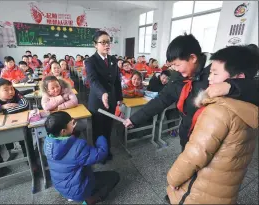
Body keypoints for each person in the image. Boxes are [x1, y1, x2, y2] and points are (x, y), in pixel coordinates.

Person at [123, 34, 259, 152]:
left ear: (193, 58)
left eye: (177, 64)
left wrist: (231, 86)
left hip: (214, 139)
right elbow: (161, 100)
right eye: (172, 65)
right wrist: (134, 119)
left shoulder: (215, 74)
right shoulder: (177, 77)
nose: (174, 69)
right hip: (187, 134)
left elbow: (251, 88)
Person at [166, 45, 258, 205]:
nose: (209, 78)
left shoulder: (218, 112)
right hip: (225, 188)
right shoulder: (249, 107)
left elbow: (195, 155)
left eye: (215, 73)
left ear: (239, 78)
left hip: (200, 190)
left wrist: (173, 179)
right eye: (210, 72)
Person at [44, 112, 120, 204]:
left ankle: (71, 195)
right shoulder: (78, 146)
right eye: (71, 123)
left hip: (60, 185)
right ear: (63, 131)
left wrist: (72, 130)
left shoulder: (48, 142)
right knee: (114, 176)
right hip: (77, 190)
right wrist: (101, 136)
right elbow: (101, 154)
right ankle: (89, 200)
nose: (73, 122)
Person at [85, 30, 123, 162]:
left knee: (108, 127)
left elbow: (117, 81)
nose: (107, 45)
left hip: (111, 99)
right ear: (95, 45)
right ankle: (99, 154)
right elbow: (93, 81)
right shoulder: (90, 61)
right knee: (98, 129)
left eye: (108, 42)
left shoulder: (113, 60)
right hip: (97, 100)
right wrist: (103, 93)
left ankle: (107, 150)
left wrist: (119, 98)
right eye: (103, 42)